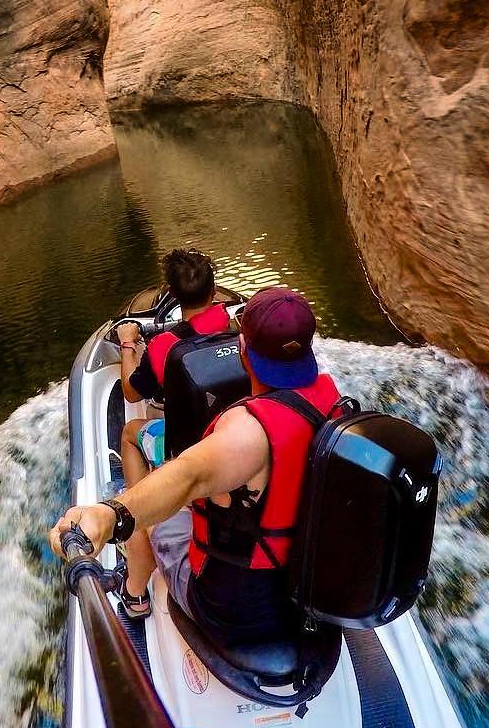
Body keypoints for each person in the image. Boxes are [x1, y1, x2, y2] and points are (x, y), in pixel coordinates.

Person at [51, 286, 346, 644]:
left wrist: (109, 515)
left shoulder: (248, 433)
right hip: (306, 596)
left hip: (234, 613)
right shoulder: (335, 404)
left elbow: (186, 477)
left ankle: (135, 590)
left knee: (159, 501)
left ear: (242, 349)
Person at [112, 248, 230, 617]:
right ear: (213, 291)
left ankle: (137, 529)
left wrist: (129, 344)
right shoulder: (235, 329)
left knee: (131, 433)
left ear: (174, 296)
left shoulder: (164, 346)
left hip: (186, 451)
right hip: (228, 439)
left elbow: (133, 391)